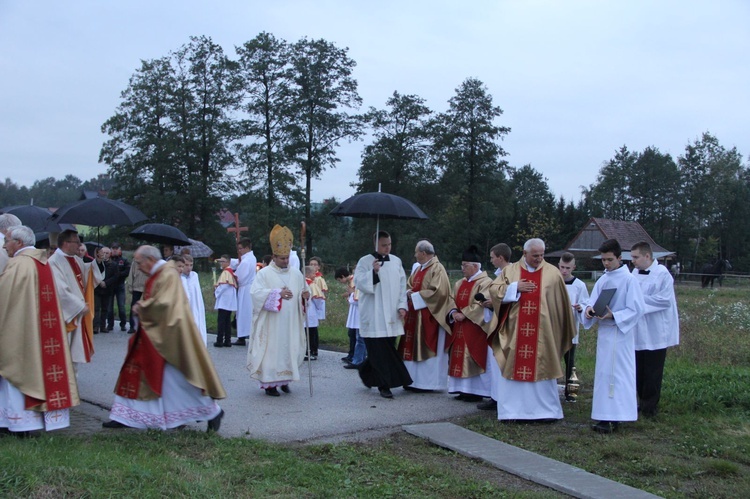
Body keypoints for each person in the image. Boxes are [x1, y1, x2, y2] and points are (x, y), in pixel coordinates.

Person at [103, 245, 226, 431]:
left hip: (168, 337)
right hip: (153, 333)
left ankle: (212, 412)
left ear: (149, 260)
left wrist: (143, 307)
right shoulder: (160, 272)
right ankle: (123, 415)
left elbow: (166, 303)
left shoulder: (167, 273)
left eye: (139, 262)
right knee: (138, 373)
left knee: (177, 381)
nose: (138, 266)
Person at [0, 225, 80, 434]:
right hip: (42, 332)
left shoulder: (17, 265)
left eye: (7, 240)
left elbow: (4, 300)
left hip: (19, 332)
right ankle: (31, 423)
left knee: (14, 373)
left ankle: (17, 423)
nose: (4, 244)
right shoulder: (42, 263)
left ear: (18, 243)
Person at [489, 238, 576, 422]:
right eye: (535, 255)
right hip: (515, 332)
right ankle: (512, 412)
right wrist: (514, 288)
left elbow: (561, 306)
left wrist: (559, 330)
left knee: (542, 368)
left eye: (542, 255)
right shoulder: (510, 271)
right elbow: (494, 290)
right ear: (525, 253)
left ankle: (545, 411)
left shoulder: (553, 274)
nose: (539, 258)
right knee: (513, 367)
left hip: (543, 334)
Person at [582, 238, 645, 434]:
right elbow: (590, 302)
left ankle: (616, 417)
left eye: (609, 259)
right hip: (605, 334)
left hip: (620, 334)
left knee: (618, 375)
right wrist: (589, 310)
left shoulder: (629, 280)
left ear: (619, 257)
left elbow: (637, 309)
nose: (606, 264)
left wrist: (614, 315)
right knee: (603, 375)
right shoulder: (603, 279)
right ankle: (603, 415)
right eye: (603, 260)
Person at [247, 225, 310, 396]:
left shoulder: (297, 274)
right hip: (272, 322)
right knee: (273, 351)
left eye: (287, 258)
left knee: (288, 348)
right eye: (282, 258)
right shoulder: (264, 274)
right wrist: (277, 294)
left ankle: (285, 380)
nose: (285, 261)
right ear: (274, 257)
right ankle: (270, 384)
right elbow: (255, 294)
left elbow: (303, 292)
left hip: (290, 321)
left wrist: (305, 296)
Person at [353, 231, 412, 399]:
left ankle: (365, 369)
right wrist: (373, 272)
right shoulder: (365, 261)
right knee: (379, 351)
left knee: (386, 348)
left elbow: (402, 285)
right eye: (384, 245)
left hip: (392, 313)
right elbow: (359, 283)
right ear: (375, 245)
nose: (387, 248)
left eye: (389, 244)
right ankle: (384, 385)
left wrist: (402, 305)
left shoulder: (396, 261)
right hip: (373, 313)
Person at [630, 241, 679, 418]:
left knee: (653, 370)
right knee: (639, 368)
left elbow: (664, 300)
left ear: (647, 256)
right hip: (638, 329)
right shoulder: (634, 272)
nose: (633, 261)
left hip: (657, 329)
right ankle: (641, 401)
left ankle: (650, 407)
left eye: (636, 257)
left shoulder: (663, 274)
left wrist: (638, 302)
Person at [446, 246, 498, 403]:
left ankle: (475, 391)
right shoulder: (459, 283)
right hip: (459, 326)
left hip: (475, 328)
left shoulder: (486, 283)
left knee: (472, 355)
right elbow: (451, 299)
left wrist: (465, 314)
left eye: (465, 265)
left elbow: (482, 303)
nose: (462, 269)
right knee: (458, 356)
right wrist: (454, 312)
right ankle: (461, 388)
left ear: (475, 266)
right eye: (462, 265)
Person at [399, 240, 452, 392]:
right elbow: (410, 284)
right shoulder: (419, 269)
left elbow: (439, 293)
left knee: (426, 347)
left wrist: (415, 296)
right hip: (414, 316)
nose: (415, 255)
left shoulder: (437, 269)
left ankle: (427, 384)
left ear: (423, 253)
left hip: (429, 318)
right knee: (410, 346)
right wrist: (409, 292)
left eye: (416, 252)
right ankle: (411, 381)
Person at [48, 230, 97, 365]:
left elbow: (86, 276)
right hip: (68, 314)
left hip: (77, 311)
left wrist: (97, 262)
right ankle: (67, 382)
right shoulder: (53, 262)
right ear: (66, 243)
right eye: (77, 242)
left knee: (73, 354)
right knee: (65, 354)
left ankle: (72, 381)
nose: (79, 245)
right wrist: (79, 306)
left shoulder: (75, 259)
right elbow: (59, 289)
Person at [478, 242, 513, 411]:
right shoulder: (499, 274)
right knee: (493, 361)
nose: (491, 261)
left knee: (501, 360)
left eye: (492, 257)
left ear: (500, 258)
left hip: (506, 324)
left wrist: (494, 302)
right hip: (495, 321)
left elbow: (512, 298)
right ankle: (495, 396)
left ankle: (502, 397)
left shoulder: (511, 274)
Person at [558, 252, 590, 402]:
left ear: (574, 267)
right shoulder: (553, 281)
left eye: (567, 268)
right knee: (552, 359)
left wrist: (580, 308)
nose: (564, 271)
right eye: (562, 267)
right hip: (554, 327)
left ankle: (570, 391)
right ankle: (549, 389)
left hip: (570, 328)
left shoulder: (579, 285)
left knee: (570, 362)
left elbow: (585, 303)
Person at [336, 266, 366, 368]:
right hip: (357, 312)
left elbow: (357, 299)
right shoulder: (355, 281)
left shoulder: (357, 282)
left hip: (360, 313)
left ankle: (357, 361)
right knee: (359, 337)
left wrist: (350, 295)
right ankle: (358, 359)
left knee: (360, 339)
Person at [231, 237, 256, 346]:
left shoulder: (246, 261)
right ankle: (246, 335)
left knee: (243, 313)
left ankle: (242, 337)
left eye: (241, 248)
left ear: (246, 248)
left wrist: (233, 276)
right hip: (249, 288)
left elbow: (239, 277)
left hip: (245, 288)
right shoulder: (252, 258)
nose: (239, 251)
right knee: (246, 312)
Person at [181, 254, 208, 346]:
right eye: (186, 265)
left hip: (195, 307)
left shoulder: (194, 276)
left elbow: (196, 294)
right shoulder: (179, 277)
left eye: (191, 265)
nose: (189, 268)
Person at [214, 255, 238, 348]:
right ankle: (227, 340)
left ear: (228, 262)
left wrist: (216, 292)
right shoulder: (230, 272)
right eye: (220, 261)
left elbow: (223, 286)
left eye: (223, 261)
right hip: (229, 300)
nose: (221, 263)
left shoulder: (226, 272)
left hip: (224, 300)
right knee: (227, 321)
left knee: (221, 321)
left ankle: (219, 340)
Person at [106, 242, 130, 332]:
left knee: (121, 307)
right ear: (111, 249)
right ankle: (110, 324)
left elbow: (127, 271)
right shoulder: (108, 259)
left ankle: (123, 324)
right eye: (113, 248)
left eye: (116, 248)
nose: (115, 250)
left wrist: (118, 274)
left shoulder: (124, 260)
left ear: (119, 249)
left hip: (120, 286)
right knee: (109, 308)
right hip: (110, 286)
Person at [126, 248, 148, 334]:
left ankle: (143, 326)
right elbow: (131, 273)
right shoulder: (135, 261)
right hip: (136, 287)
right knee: (134, 306)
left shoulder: (149, 262)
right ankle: (132, 326)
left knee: (145, 307)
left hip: (146, 287)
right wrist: (130, 285)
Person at [93, 246, 111, 334]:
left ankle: (103, 326)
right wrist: (100, 282)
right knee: (96, 308)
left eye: (105, 253)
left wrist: (106, 283)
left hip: (106, 289)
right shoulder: (94, 264)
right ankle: (95, 326)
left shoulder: (110, 264)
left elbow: (114, 276)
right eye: (101, 252)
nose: (103, 254)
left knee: (105, 308)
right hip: (97, 288)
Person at [309, 256, 328, 320]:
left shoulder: (319, 279)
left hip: (316, 300)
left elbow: (320, 293)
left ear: (319, 267)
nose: (312, 266)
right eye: (311, 264)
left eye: (315, 265)